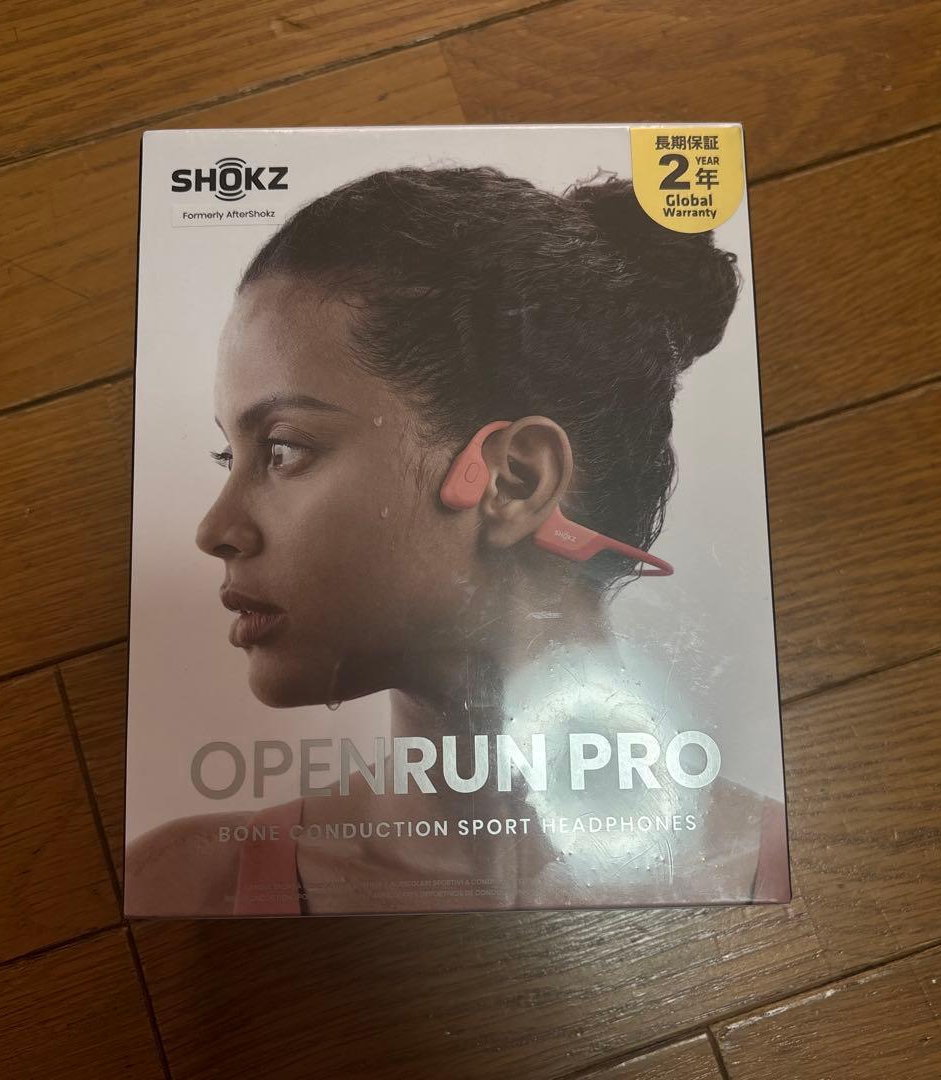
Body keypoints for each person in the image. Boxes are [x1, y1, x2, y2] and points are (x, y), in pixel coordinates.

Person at [125, 165, 789, 916]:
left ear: (514, 480)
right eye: (230, 456)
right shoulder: (185, 885)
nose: (215, 531)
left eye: (282, 449)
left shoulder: (777, 869)